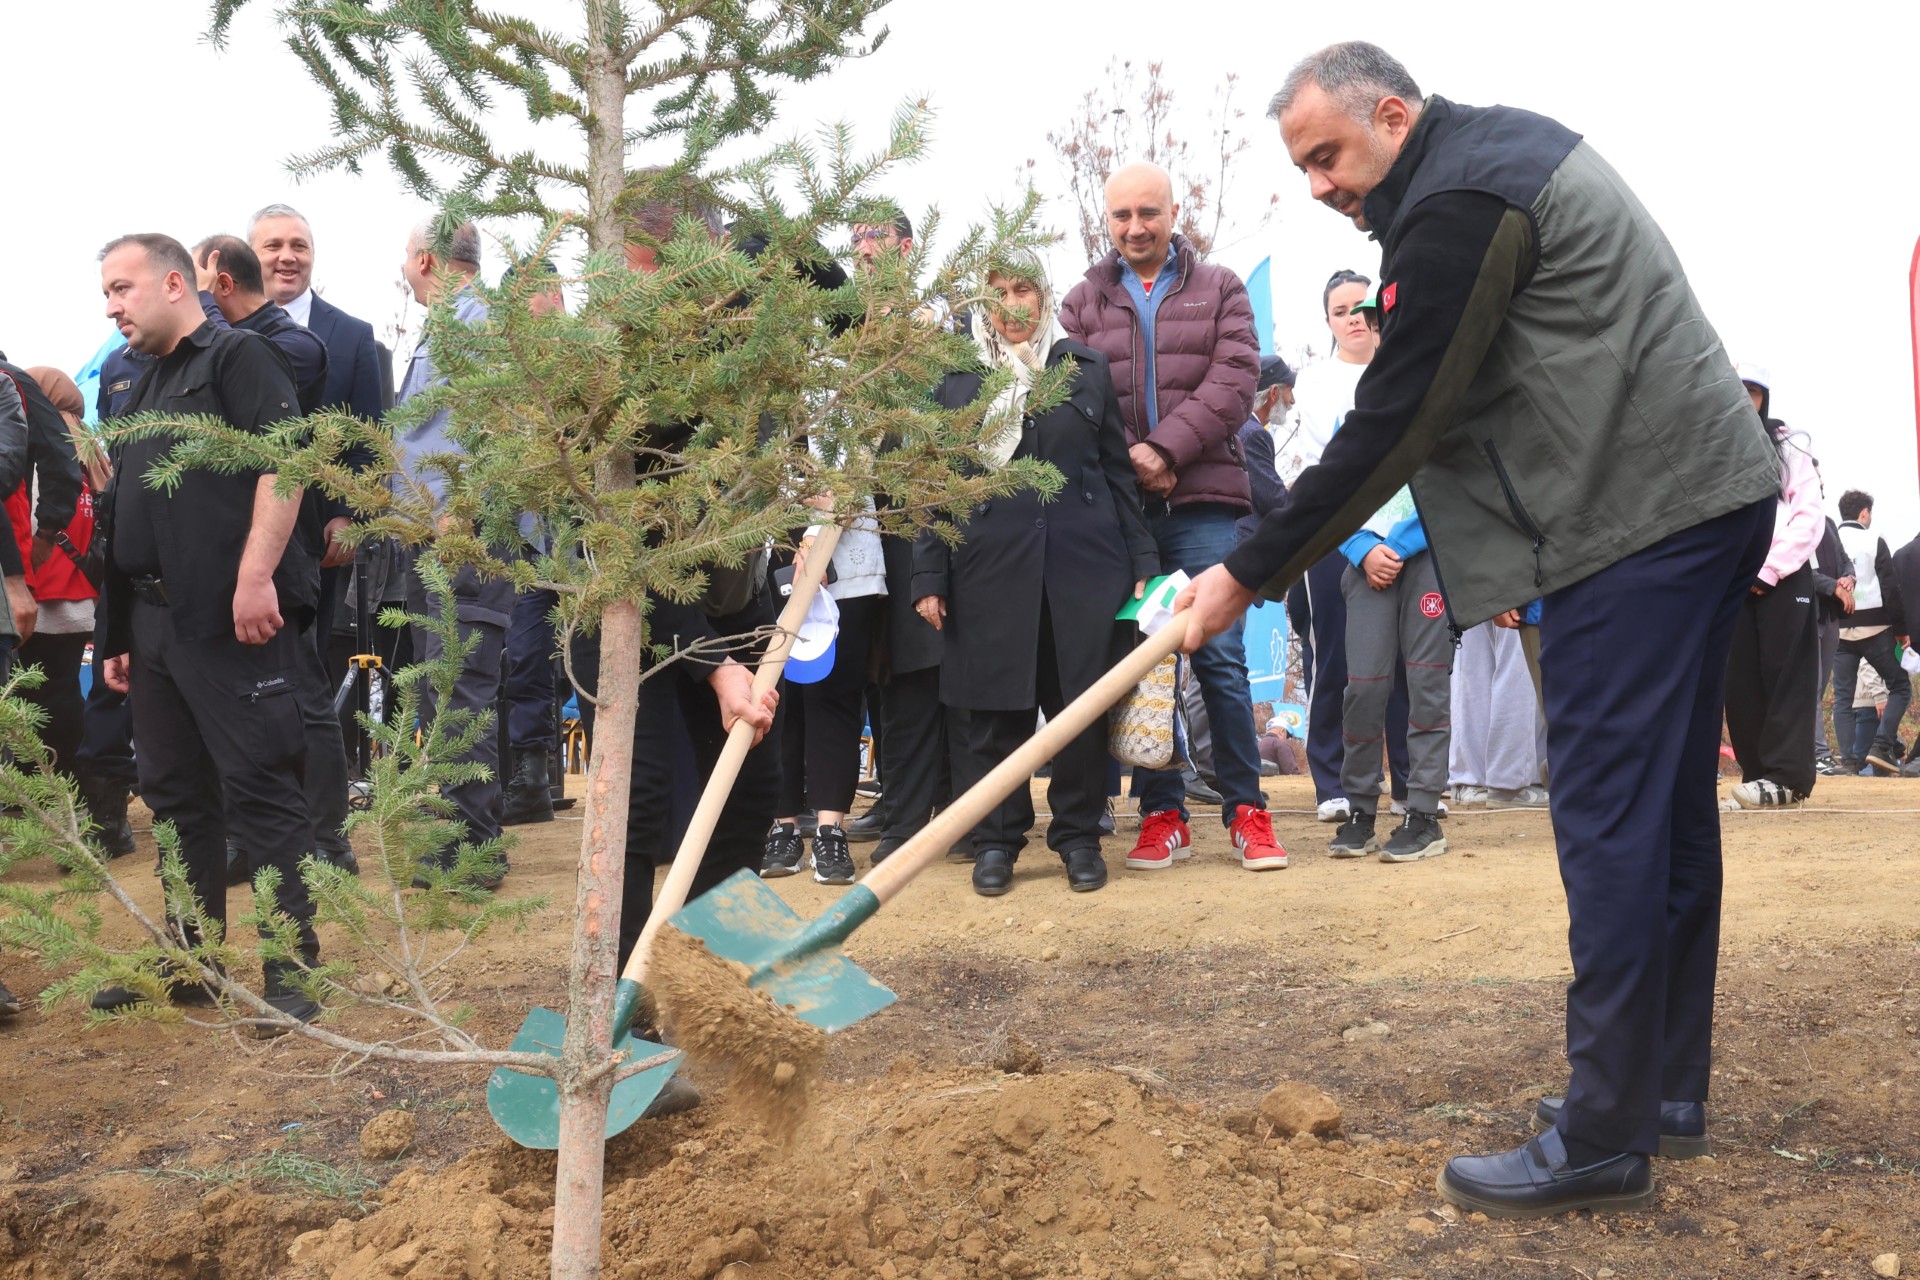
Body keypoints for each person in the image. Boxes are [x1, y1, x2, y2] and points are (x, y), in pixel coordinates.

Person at [1178, 43, 1781, 1215]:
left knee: (1607, 812)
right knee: (1658, 813)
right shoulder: (1484, 160)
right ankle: (1657, 1087)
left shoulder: (1459, 198)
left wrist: (1247, 570)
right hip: (1689, 497)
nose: (1318, 186)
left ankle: (1606, 1128)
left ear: (1392, 115)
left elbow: (1399, 413)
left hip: (1639, 517)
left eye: (1327, 156)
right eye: (1301, 168)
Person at [90, 232, 322, 1026]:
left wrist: (257, 576)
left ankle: (293, 972)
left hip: (231, 622)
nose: (113, 306)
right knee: (176, 796)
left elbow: (284, 466)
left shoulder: (239, 359)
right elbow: (128, 511)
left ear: (175, 283)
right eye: (107, 294)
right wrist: (119, 630)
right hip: (154, 626)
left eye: (122, 288)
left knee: (261, 787)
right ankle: (194, 959)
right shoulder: (139, 382)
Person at [1058, 161, 1283, 873]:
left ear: (1173, 211)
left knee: (1217, 654)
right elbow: (1073, 404)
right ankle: (1162, 814)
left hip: (1204, 503)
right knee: (1142, 665)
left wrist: (1165, 448)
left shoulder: (1221, 288)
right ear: (1107, 218)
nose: (1134, 228)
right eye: (1121, 215)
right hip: (1121, 519)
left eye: (1148, 213)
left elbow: (1235, 380)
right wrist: (1133, 466)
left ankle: (1247, 810)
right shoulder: (1080, 303)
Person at [914, 255, 1158, 895]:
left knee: (1078, 706)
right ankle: (997, 841)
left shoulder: (1086, 368)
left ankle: (1078, 836)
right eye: (997, 293)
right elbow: (935, 487)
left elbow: (1115, 472)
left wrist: (1144, 563)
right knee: (995, 713)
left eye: (1023, 288)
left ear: (1044, 295)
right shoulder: (955, 378)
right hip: (987, 568)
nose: (1012, 304)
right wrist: (929, 575)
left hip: (1085, 567)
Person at [251, 204, 387, 858]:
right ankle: (254, 831)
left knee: (307, 679)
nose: (287, 256)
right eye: (273, 245)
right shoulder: (219, 334)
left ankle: (326, 836)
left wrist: (351, 515)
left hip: (320, 542)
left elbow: (373, 437)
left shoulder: (354, 336)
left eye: (298, 245)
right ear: (248, 258)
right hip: (240, 540)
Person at [393, 218, 512, 885]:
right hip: (431, 536)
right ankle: (460, 829)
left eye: (406, 257)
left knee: (460, 685)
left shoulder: (476, 323)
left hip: (462, 537)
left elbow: (496, 422)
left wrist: (462, 507)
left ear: (429, 258)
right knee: (443, 689)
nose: (403, 268)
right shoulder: (449, 323)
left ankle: (476, 845)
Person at [1325, 288, 1452, 861]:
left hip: (1425, 563)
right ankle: (1359, 809)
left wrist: (1396, 543)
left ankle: (1423, 814)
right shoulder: (1353, 411)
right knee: (1365, 688)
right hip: (1364, 566)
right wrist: (1359, 546)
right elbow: (1332, 492)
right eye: (1375, 321)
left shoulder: (1440, 398)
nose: (1381, 330)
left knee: (1426, 686)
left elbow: (1452, 485)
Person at [1280, 272, 1412, 824]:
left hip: (1407, 533)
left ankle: (1412, 781)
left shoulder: (1407, 367)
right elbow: (1321, 466)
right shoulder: (1314, 382)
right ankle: (1331, 782)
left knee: (1410, 659)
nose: (1353, 318)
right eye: (1339, 311)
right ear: (1328, 323)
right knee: (1335, 657)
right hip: (1336, 536)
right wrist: (1356, 540)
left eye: (1361, 306)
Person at [763, 497, 887, 885]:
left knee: (833, 700)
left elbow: (849, 472)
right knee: (777, 701)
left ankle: (830, 829)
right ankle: (783, 827)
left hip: (843, 571)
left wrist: (815, 540)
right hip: (768, 565)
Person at [1723, 365, 1823, 807]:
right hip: (1734, 580)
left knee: (1785, 676)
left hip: (1782, 577)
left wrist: (1771, 568)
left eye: (1753, 393)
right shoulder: (1713, 446)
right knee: (1738, 680)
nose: (1745, 400)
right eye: (1737, 390)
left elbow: (1808, 515)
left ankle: (1788, 777)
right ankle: (1758, 776)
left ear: (1765, 398)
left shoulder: (1789, 446)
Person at [9, 368, 102, 807]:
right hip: (82, 596)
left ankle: (41, 804)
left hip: (38, 597)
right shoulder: (93, 452)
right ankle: (77, 801)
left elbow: (26, 518)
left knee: (31, 707)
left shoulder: (39, 441)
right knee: (64, 696)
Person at [1828, 490, 1908, 775]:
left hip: (1840, 628)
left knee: (1843, 696)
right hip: (1876, 627)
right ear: (1864, 513)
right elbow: (1890, 587)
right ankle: (1881, 745)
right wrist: (1900, 629)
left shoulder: (1830, 538)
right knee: (1900, 686)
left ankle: (1848, 762)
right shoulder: (1874, 539)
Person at [1809, 512, 1854, 775]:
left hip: (1831, 616)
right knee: (1811, 687)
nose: (1820, 482)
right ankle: (1819, 754)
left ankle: (1817, 753)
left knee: (1820, 688)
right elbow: (1802, 568)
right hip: (1807, 615)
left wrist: (1848, 578)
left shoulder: (1826, 522)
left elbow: (1845, 561)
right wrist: (1833, 587)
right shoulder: (1795, 517)